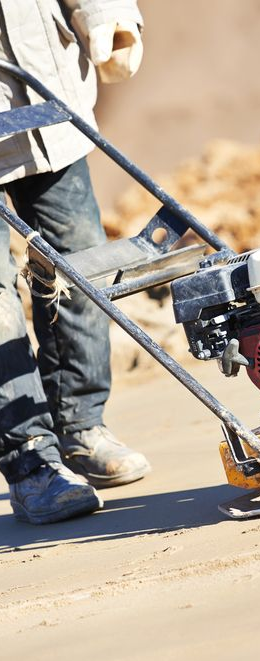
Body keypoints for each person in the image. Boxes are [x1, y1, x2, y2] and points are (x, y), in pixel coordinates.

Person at [0, 0, 150, 525]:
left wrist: (105, 12)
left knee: (81, 262)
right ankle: (31, 462)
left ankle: (81, 426)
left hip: (45, 101)